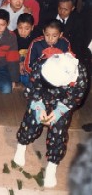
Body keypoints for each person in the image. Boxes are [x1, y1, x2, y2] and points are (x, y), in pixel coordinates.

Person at [13, 52, 88, 188]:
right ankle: (22, 144)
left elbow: (75, 99)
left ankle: (52, 165)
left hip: (62, 102)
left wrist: (59, 111)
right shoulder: (41, 64)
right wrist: (38, 106)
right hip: (41, 95)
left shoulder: (79, 77)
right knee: (31, 121)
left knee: (59, 131)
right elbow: (32, 89)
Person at [0, 9, 20, 94]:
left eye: (2, 25)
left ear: (7, 23)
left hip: (3, 67)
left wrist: (14, 79)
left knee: (7, 90)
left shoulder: (11, 36)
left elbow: (13, 59)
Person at [14, 13, 39, 87]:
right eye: (20, 28)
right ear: (17, 26)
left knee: (30, 81)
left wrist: (25, 64)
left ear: (32, 27)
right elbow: (11, 54)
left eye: (27, 28)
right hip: (16, 62)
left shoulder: (37, 36)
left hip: (30, 62)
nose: (23, 31)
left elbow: (37, 54)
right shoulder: (13, 36)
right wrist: (19, 63)